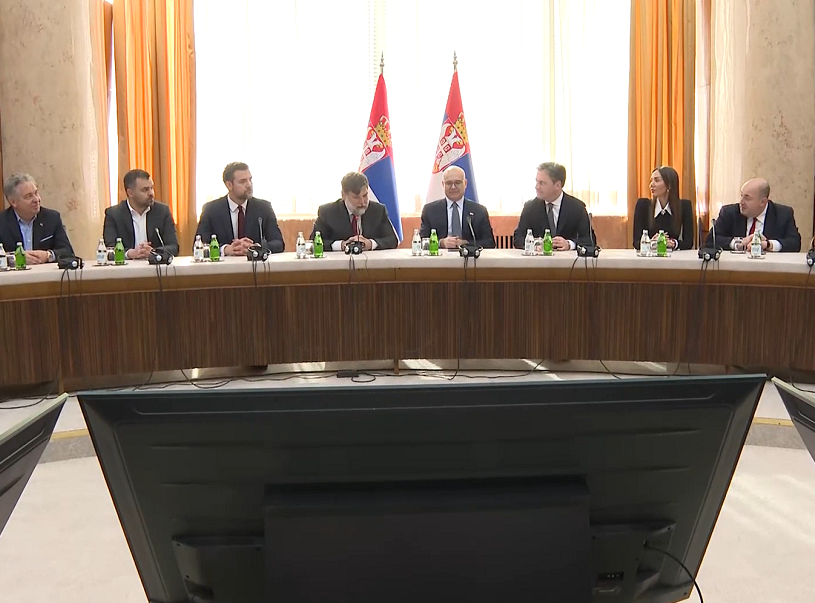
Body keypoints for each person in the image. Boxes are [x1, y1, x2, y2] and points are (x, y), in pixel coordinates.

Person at [195, 162, 285, 256]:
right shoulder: (211, 210)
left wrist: (256, 248)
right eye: (243, 181)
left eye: (250, 180)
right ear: (229, 185)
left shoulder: (263, 208)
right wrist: (225, 249)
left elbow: (278, 243)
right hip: (224, 264)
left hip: (255, 264)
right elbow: (199, 245)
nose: (249, 184)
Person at [705, 178, 801, 252]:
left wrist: (767, 244)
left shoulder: (783, 214)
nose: (741, 202)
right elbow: (710, 240)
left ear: (763, 202)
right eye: (741, 195)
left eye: (747, 198)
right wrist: (738, 243)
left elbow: (795, 243)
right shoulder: (729, 212)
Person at [513, 162, 593, 250]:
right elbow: (518, 238)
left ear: (557, 185)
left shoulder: (577, 208)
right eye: (537, 182)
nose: (537, 187)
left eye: (542, 183)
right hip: (539, 258)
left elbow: (589, 240)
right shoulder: (530, 208)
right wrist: (535, 245)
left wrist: (569, 244)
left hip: (567, 258)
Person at [310, 171, 398, 251]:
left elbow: (392, 240)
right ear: (343, 195)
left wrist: (371, 244)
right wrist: (341, 245)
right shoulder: (327, 212)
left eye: (365, 195)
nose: (362, 202)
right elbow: (313, 243)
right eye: (356, 197)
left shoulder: (378, 210)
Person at [103, 169, 179, 258]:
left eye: (152, 188)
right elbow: (110, 250)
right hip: (127, 265)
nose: (151, 193)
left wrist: (153, 252)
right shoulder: (114, 214)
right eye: (145, 190)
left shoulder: (162, 211)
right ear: (130, 193)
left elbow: (174, 247)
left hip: (155, 265)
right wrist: (129, 253)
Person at [0, 173, 74, 263]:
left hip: (45, 272)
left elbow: (68, 252)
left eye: (36, 193)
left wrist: (48, 255)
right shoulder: (2, 222)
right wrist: (15, 258)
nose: (36, 199)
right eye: (28, 196)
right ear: (13, 202)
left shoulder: (52, 218)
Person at [419, 165, 495, 249]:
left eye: (457, 183)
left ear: (465, 183)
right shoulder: (430, 210)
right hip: (441, 256)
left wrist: (466, 243)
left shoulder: (479, 211)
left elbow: (490, 243)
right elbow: (422, 242)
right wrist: (441, 243)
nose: (453, 187)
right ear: (443, 184)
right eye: (449, 183)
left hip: (469, 256)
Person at [631, 166, 695, 250]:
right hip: (649, 255)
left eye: (657, 180)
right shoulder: (643, 205)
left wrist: (673, 243)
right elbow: (636, 242)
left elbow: (688, 243)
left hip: (674, 256)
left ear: (669, 185)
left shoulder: (684, 206)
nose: (651, 185)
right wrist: (651, 242)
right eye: (651, 181)